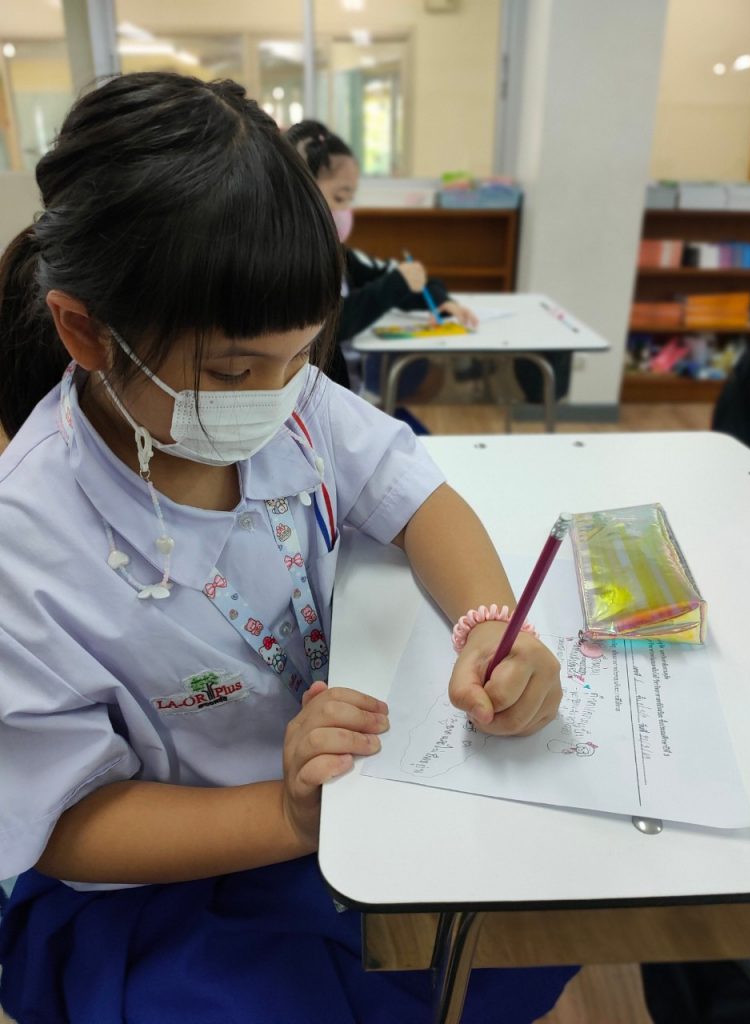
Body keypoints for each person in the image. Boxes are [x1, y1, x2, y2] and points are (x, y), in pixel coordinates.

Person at [0, 72, 577, 1023]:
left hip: (336, 800)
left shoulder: (295, 404)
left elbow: (417, 496)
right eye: (234, 370)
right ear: (86, 333)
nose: (275, 396)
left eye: (303, 353)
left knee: (519, 920)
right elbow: (62, 822)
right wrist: (286, 813)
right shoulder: (27, 543)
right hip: (169, 876)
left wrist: (488, 624)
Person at [284, 119, 478, 410]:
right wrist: (395, 283)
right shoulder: (289, 266)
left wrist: (439, 300)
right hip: (313, 408)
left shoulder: (343, 257)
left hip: (349, 398)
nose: (346, 211)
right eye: (339, 197)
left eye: (350, 199)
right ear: (301, 195)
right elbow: (330, 324)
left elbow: (399, 280)